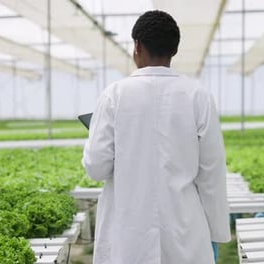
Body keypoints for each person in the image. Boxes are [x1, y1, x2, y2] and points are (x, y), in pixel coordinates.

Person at [82, 10, 230, 264]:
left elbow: (96, 168)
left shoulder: (114, 96)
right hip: (185, 230)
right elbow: (212, 172)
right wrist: (216, 232)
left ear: (137, 46)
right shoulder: (197, 95)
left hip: (128, 233)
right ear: (174, 50)